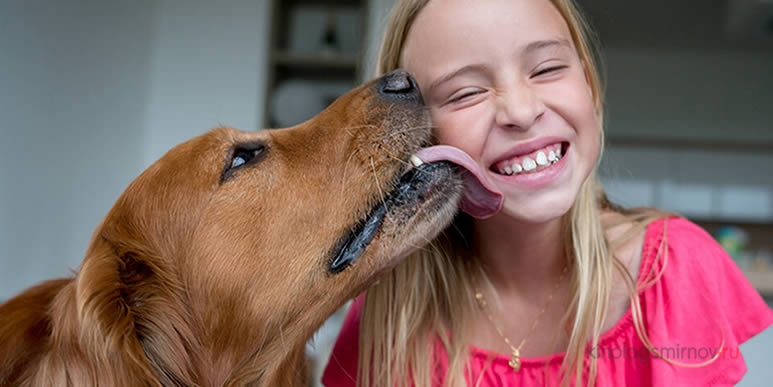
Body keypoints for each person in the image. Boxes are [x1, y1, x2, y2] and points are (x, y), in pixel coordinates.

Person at [322, 0, 773, 386]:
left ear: (590, 87)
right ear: (419, 136)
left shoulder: (674, 273)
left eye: (548, 68)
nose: (520, 111)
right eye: (465, 93)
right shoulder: (391, 311)